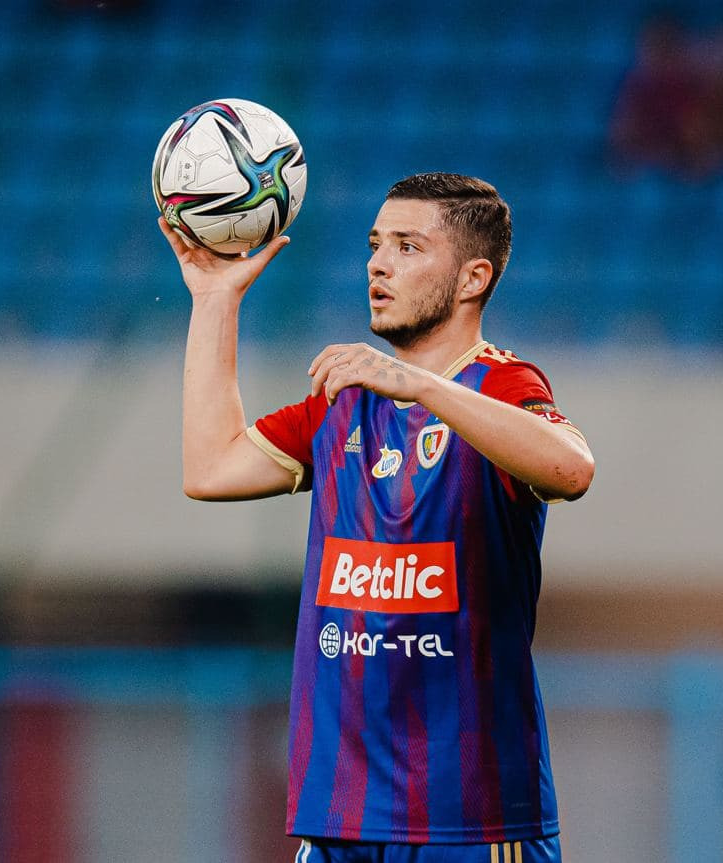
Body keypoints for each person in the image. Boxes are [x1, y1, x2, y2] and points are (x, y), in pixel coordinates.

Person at [160, 172, 595, 863]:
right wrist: (215, 300)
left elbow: (572, 469)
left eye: (407, 247)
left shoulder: (505, 384)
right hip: (342, 816)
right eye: (374, 245)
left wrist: (420, 383)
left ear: (473, 278)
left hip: (471, 822)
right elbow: (210, 469)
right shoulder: (347, 400)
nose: (378, 264)